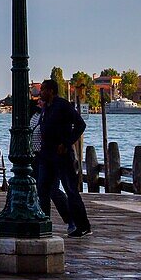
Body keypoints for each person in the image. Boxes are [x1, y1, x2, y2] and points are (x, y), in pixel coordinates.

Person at [36, 78, 91, 237]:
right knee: (43, 189)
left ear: (51, 91)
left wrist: (66, 143)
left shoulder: (63, 105)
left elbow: (80, 125)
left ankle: (83, 225)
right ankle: (44, 222)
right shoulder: (46, 107)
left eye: (43, 90)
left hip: (62, 155)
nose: (41, 93)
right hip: (46, 155)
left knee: (71, 190)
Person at [29, 95, 71, 227]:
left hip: (51, 156)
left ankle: (71, 218)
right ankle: (43, 219)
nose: (39, 103)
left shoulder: (52, 118)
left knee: (53, 190)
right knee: (40, 190)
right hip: (36, 157)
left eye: (42, 100)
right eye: (39, 101)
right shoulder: (34, 116)